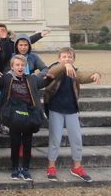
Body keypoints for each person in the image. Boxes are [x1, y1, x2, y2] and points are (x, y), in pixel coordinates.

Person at [44, 47, 101, 183]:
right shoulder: (55, 68)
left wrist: (96, 74)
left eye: (69, 57)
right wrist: (65, 65)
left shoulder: (74, 72)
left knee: (76, 139)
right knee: (55, 139)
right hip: (55, 109)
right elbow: (51, 73)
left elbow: (83, 77)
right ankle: (51, 166)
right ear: (59, 59)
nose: (67, 59)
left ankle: (77, 166)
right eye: (64, 57)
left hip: (72, 110)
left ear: (74, 59)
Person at [0, 54, 52, 182]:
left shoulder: (31, 78)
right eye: (17, 65)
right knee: (15, 142)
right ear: (12, 66)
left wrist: (49, 78)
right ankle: (15, 168)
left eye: (22, 65)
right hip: (14, 114)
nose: (20, 67)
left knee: (27, 143)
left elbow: (43, 82)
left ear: (25, 67)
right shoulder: (7, 78)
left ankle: (25, 168)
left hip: (28, 114)